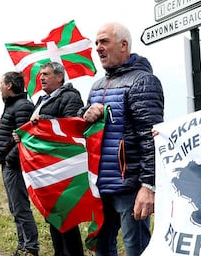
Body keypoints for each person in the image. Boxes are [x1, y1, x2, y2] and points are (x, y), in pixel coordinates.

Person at [80, 22, 164, 256]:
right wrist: (85, 114)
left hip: (131, 189)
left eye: (104, 41)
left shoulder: (143, 81)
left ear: (124, 45)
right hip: (101, 187)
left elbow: (151, 138)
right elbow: (87, 129)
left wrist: (148, 185)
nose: (98, 48)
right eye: (96, 43)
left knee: (136, 250)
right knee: (102, 249)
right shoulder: (97, 85)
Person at [14, 61, 85, 256]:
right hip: (44, 168)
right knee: (53, 216)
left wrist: (42, 121)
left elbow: (72, 129)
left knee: (66, 218)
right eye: (40, 75)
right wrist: (23, 134)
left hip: (61, 169)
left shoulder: (71, 97)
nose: (41, 78)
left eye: (46, 74)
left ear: (60, 77)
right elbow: (34, 127)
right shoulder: (40, 100)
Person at [0, 71, 39, 256]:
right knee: (14, 208)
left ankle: (31, 248)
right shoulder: (12, 105)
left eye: (1, 83)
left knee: (20, 208)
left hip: (15, 166)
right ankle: (22, 245)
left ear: (9, 85)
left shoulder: (23, 106)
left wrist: (10, 159)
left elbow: (26, 137)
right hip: (8, 165)